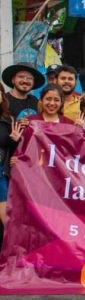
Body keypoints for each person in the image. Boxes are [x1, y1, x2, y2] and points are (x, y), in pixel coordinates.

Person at [0, 88, 22, 227]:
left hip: (1, 170)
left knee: (6, 219)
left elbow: (11, 147)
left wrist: (16, 140)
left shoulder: (8, 119)